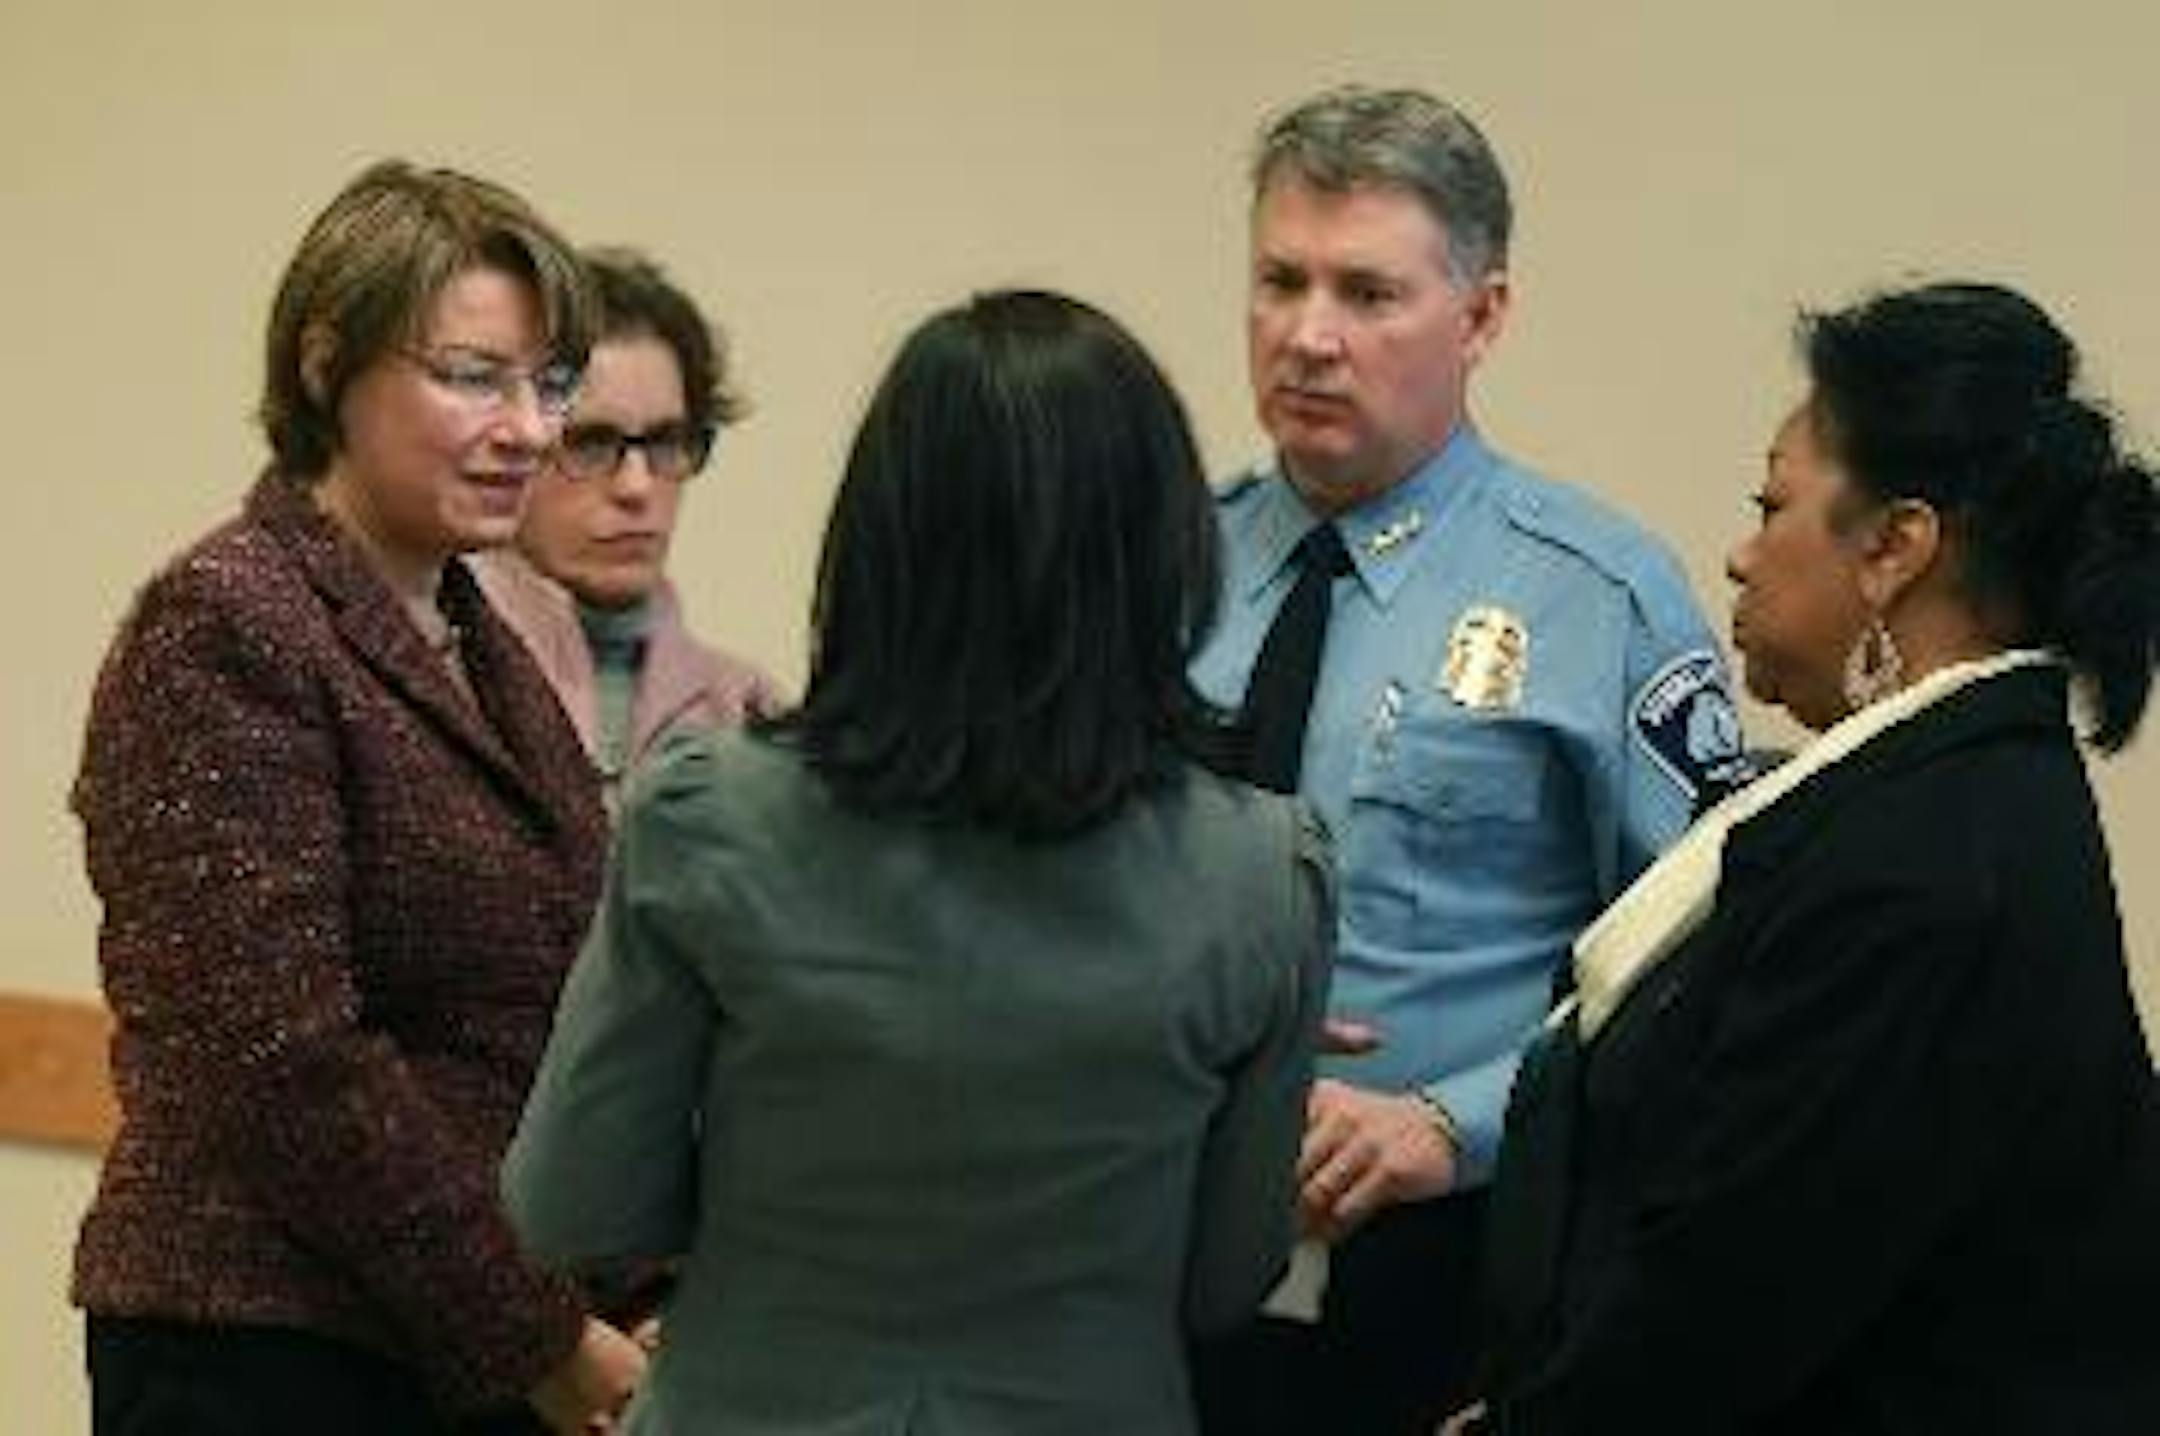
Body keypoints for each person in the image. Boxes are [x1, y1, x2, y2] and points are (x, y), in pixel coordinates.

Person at [503, 289, 1334, 1436]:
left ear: (879, 540)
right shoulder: (1260, 875)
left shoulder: (708, 817)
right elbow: (1229, 1275)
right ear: (1165, 551)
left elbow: (571, 1204)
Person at [1472, 281, 2160, 1433]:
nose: (1740, 556)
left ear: (1894, 547)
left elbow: (1734, 1281)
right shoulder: (1942, 795)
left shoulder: (1927, 859)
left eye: (1771, 506)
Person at [1186, 85, 1747, 1434]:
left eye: (1368, 293)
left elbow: (1698, 968)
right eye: (1281, 281)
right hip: (1142, 1234)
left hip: (1437, 1258)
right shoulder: (1161, 564)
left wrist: (1453, 1122)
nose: (1309, 336)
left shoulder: (1598, 597)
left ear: (1482, 316)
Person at [72, 161, 647, 1434]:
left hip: (460, 1343)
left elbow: (547, 1013)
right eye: (474, 376)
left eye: (550, 382)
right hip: (267, 1354)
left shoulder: (478, 636)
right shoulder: (227, 620)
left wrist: (627, 1288)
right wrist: (543, 1334)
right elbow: (279, 1059)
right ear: (327, 363)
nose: (530, 429)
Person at [474, 248, 779, 813]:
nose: (637, 487)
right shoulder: (438, 676)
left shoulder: (746, 711)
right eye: (591, 443)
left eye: (666, 442)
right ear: (513, 444)